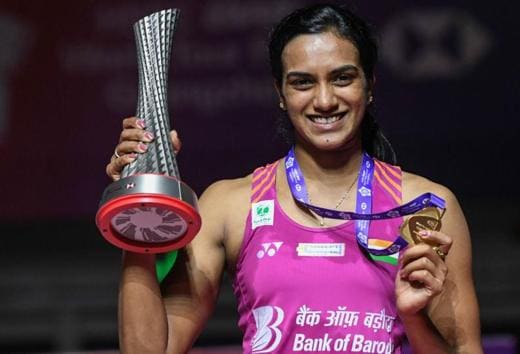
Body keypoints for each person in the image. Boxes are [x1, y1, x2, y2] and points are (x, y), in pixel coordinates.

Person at [106, 4, 482, 353]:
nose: (324, 100)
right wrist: (140, 209)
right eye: (302, 82)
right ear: (281, 94)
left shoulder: (426, 208)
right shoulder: (232, 205)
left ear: (370, 85)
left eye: (342, 78)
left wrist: (413, 318)